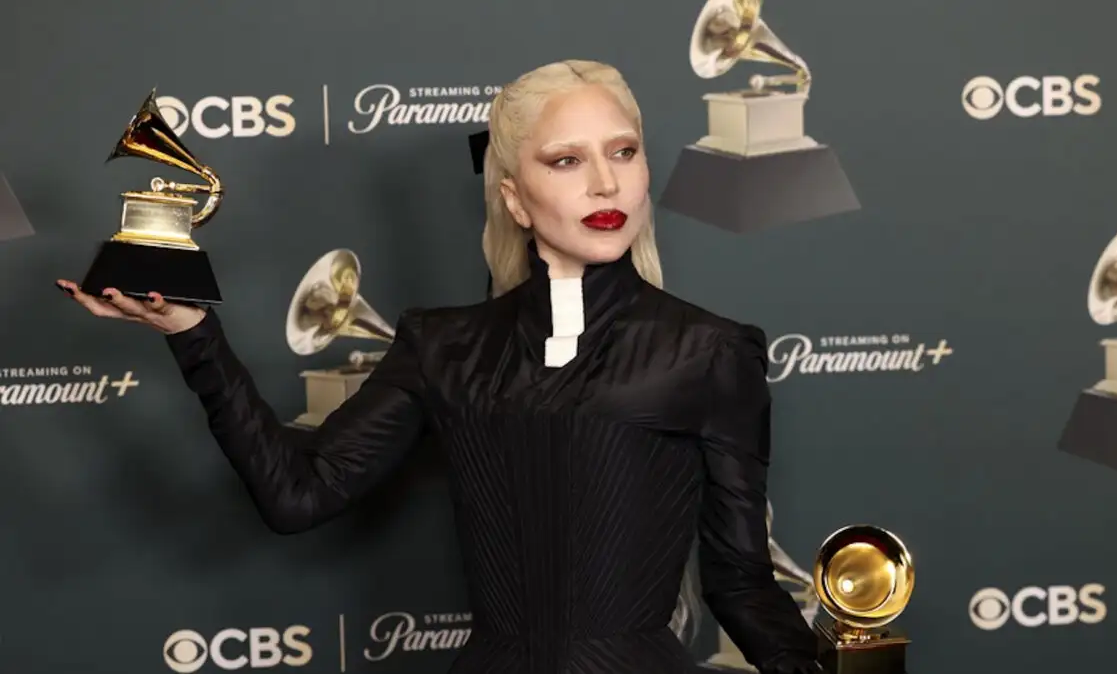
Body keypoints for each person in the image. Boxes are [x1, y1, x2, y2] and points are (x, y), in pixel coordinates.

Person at [56, 60, 821, 674]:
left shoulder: (711, 351)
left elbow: (740, 581)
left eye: (623, 151)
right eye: (566, 160)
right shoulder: (444, 345)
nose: (605, 182)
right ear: (515, 199)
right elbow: (297, 494)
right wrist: (193, 333)